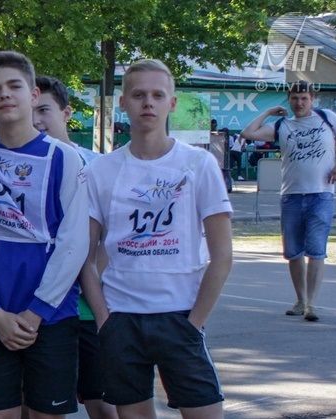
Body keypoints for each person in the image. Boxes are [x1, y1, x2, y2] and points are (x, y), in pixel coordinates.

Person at [80, 58, 232, 419]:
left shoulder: (198, 164)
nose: (148, 102)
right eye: (138, 95)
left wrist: (194, 322)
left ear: (172, 103)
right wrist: (103, 318)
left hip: (180, 314)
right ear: (123, 102)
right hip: (121, 318)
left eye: (157, 95)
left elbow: (222, 255)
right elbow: (84, 257)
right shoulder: (100, 170)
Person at [0, 51, 88, 419]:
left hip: (51, 315)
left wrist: (37, 311)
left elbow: (74, 242)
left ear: (33, 94)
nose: (5, 94)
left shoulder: (65, 159)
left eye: (14, 86)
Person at [32, 75, 116, 419]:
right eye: (31, 111)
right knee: (43, 406)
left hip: (89, 308)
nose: (36, 119)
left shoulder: (98, 166)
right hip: (40, 307)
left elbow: (111, 237)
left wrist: (91, 285)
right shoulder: (23, 167)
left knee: (104, 405)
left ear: (66, 113)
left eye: (44, 110)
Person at [242, 80, 336, 322]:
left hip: (320, 194)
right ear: (289, 99)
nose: (299, 103)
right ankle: (300, 300)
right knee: (294, 252)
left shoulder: (326, 118)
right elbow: (248, 133)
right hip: (291, 195)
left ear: (312, 99)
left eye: (304, 98)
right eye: (295, 98)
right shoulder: (282, 125)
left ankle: (311, 305)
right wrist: (268, 111)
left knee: (316, 250)